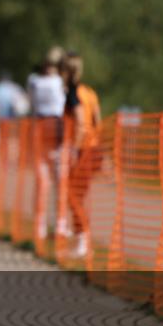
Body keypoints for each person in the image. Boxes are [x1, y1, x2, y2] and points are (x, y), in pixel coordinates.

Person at [63, 53, 102, 258]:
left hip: (82, 149)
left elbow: (80, 121)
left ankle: (83, 241)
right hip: (94, 148)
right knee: (77, 195)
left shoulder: (73, 93)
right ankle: (82, 240)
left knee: (73, 195)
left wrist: (73, 149)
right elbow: (97, 120)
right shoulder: (90, 92)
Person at [27, 50, 66, 240]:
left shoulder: (35, 80)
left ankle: (49, 224)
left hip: (46, 127)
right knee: (53, 180)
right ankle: (51, 224)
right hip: (51, 127)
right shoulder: (53, 81)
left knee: (50, 181)